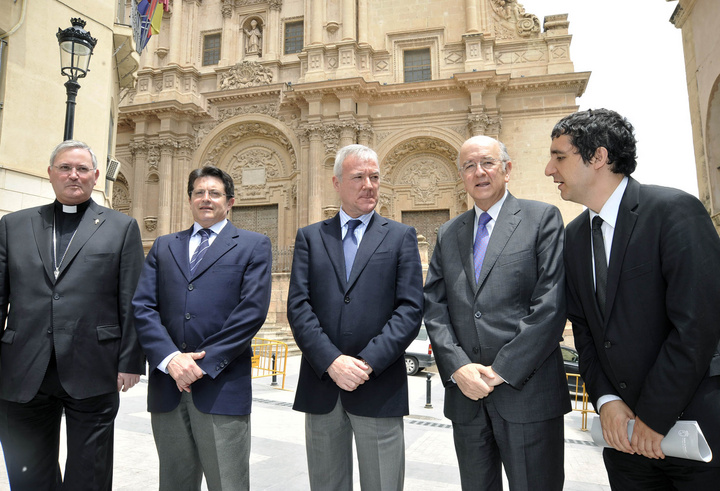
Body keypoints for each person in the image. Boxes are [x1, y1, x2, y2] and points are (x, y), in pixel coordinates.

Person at [545, 108, 720, 489]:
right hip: (623, 444)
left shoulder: (674, 211)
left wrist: (653, 418)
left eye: (559, 156)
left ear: (598, 157)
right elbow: (587, 332)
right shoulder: (573, 237)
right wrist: (606, 401)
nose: (549, 169)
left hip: (696, 436)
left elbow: (697, 326)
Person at [424, 135, 570, 491]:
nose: (479, 172)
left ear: (507, 169)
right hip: (467, 401)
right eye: (469, 166)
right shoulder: (448, 233)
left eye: (487, 162)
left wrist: (500, 371)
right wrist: (458, 367)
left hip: (529, 398)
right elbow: (435, 307)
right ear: (462, 176)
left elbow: (550, 307)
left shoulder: (542, 219)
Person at [0, 140, 145, 490]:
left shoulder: (121, 227)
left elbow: (133, 299)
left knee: (89, 474)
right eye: (65, 168)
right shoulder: (13, 225)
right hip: (22, 368)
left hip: (94, 365)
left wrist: (130, 361)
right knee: (28, 473)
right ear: (50, 173)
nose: (73, 175)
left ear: (97, 176)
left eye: (82, 169)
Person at [287, 144, 424, 491]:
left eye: (375, 177)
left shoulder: (400, 236)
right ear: (336, 182)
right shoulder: (310, 238)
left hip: (378, 385)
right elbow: (299, 307)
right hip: (322, 387)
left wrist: (366, 363)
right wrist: (332, 361)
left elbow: (410, 309)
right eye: (358, 177)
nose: (369, 185)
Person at [132, 166, 272, 491]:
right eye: (199, 192)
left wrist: (199, 364)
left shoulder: (253, 245)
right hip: (167, 386)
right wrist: (170, 359)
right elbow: (143, 307)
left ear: (230, 201)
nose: (206, 199)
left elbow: (250, 313)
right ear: (190, 199)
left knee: (228, 483)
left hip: (222, 387)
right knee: (174, 483)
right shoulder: (164, 247)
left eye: (214, 193)